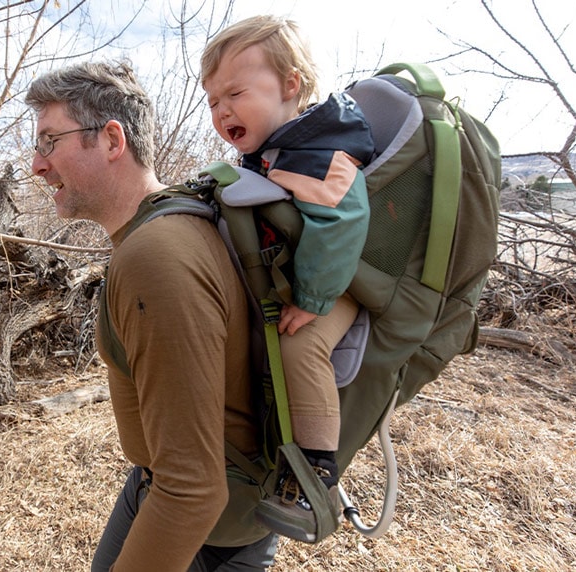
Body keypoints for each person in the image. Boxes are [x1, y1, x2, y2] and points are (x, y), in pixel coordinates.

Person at [26, 61, 278, 571]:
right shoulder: (169, 223)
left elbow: (193, 491)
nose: (37, 164)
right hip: (163, 489)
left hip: (203, 534)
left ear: (112, 140)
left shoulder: (155, 256)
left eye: (50, 141)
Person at [201, 15, 374, 540]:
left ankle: (316, 475)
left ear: (291, 86)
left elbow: (343, 223)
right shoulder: (278, 149)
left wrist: (312, 299)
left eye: (234, 93)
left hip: (338, 285)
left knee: (298, 347)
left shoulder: (320, 152)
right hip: (305, 274)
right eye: (212, 101)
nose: (222, 109)